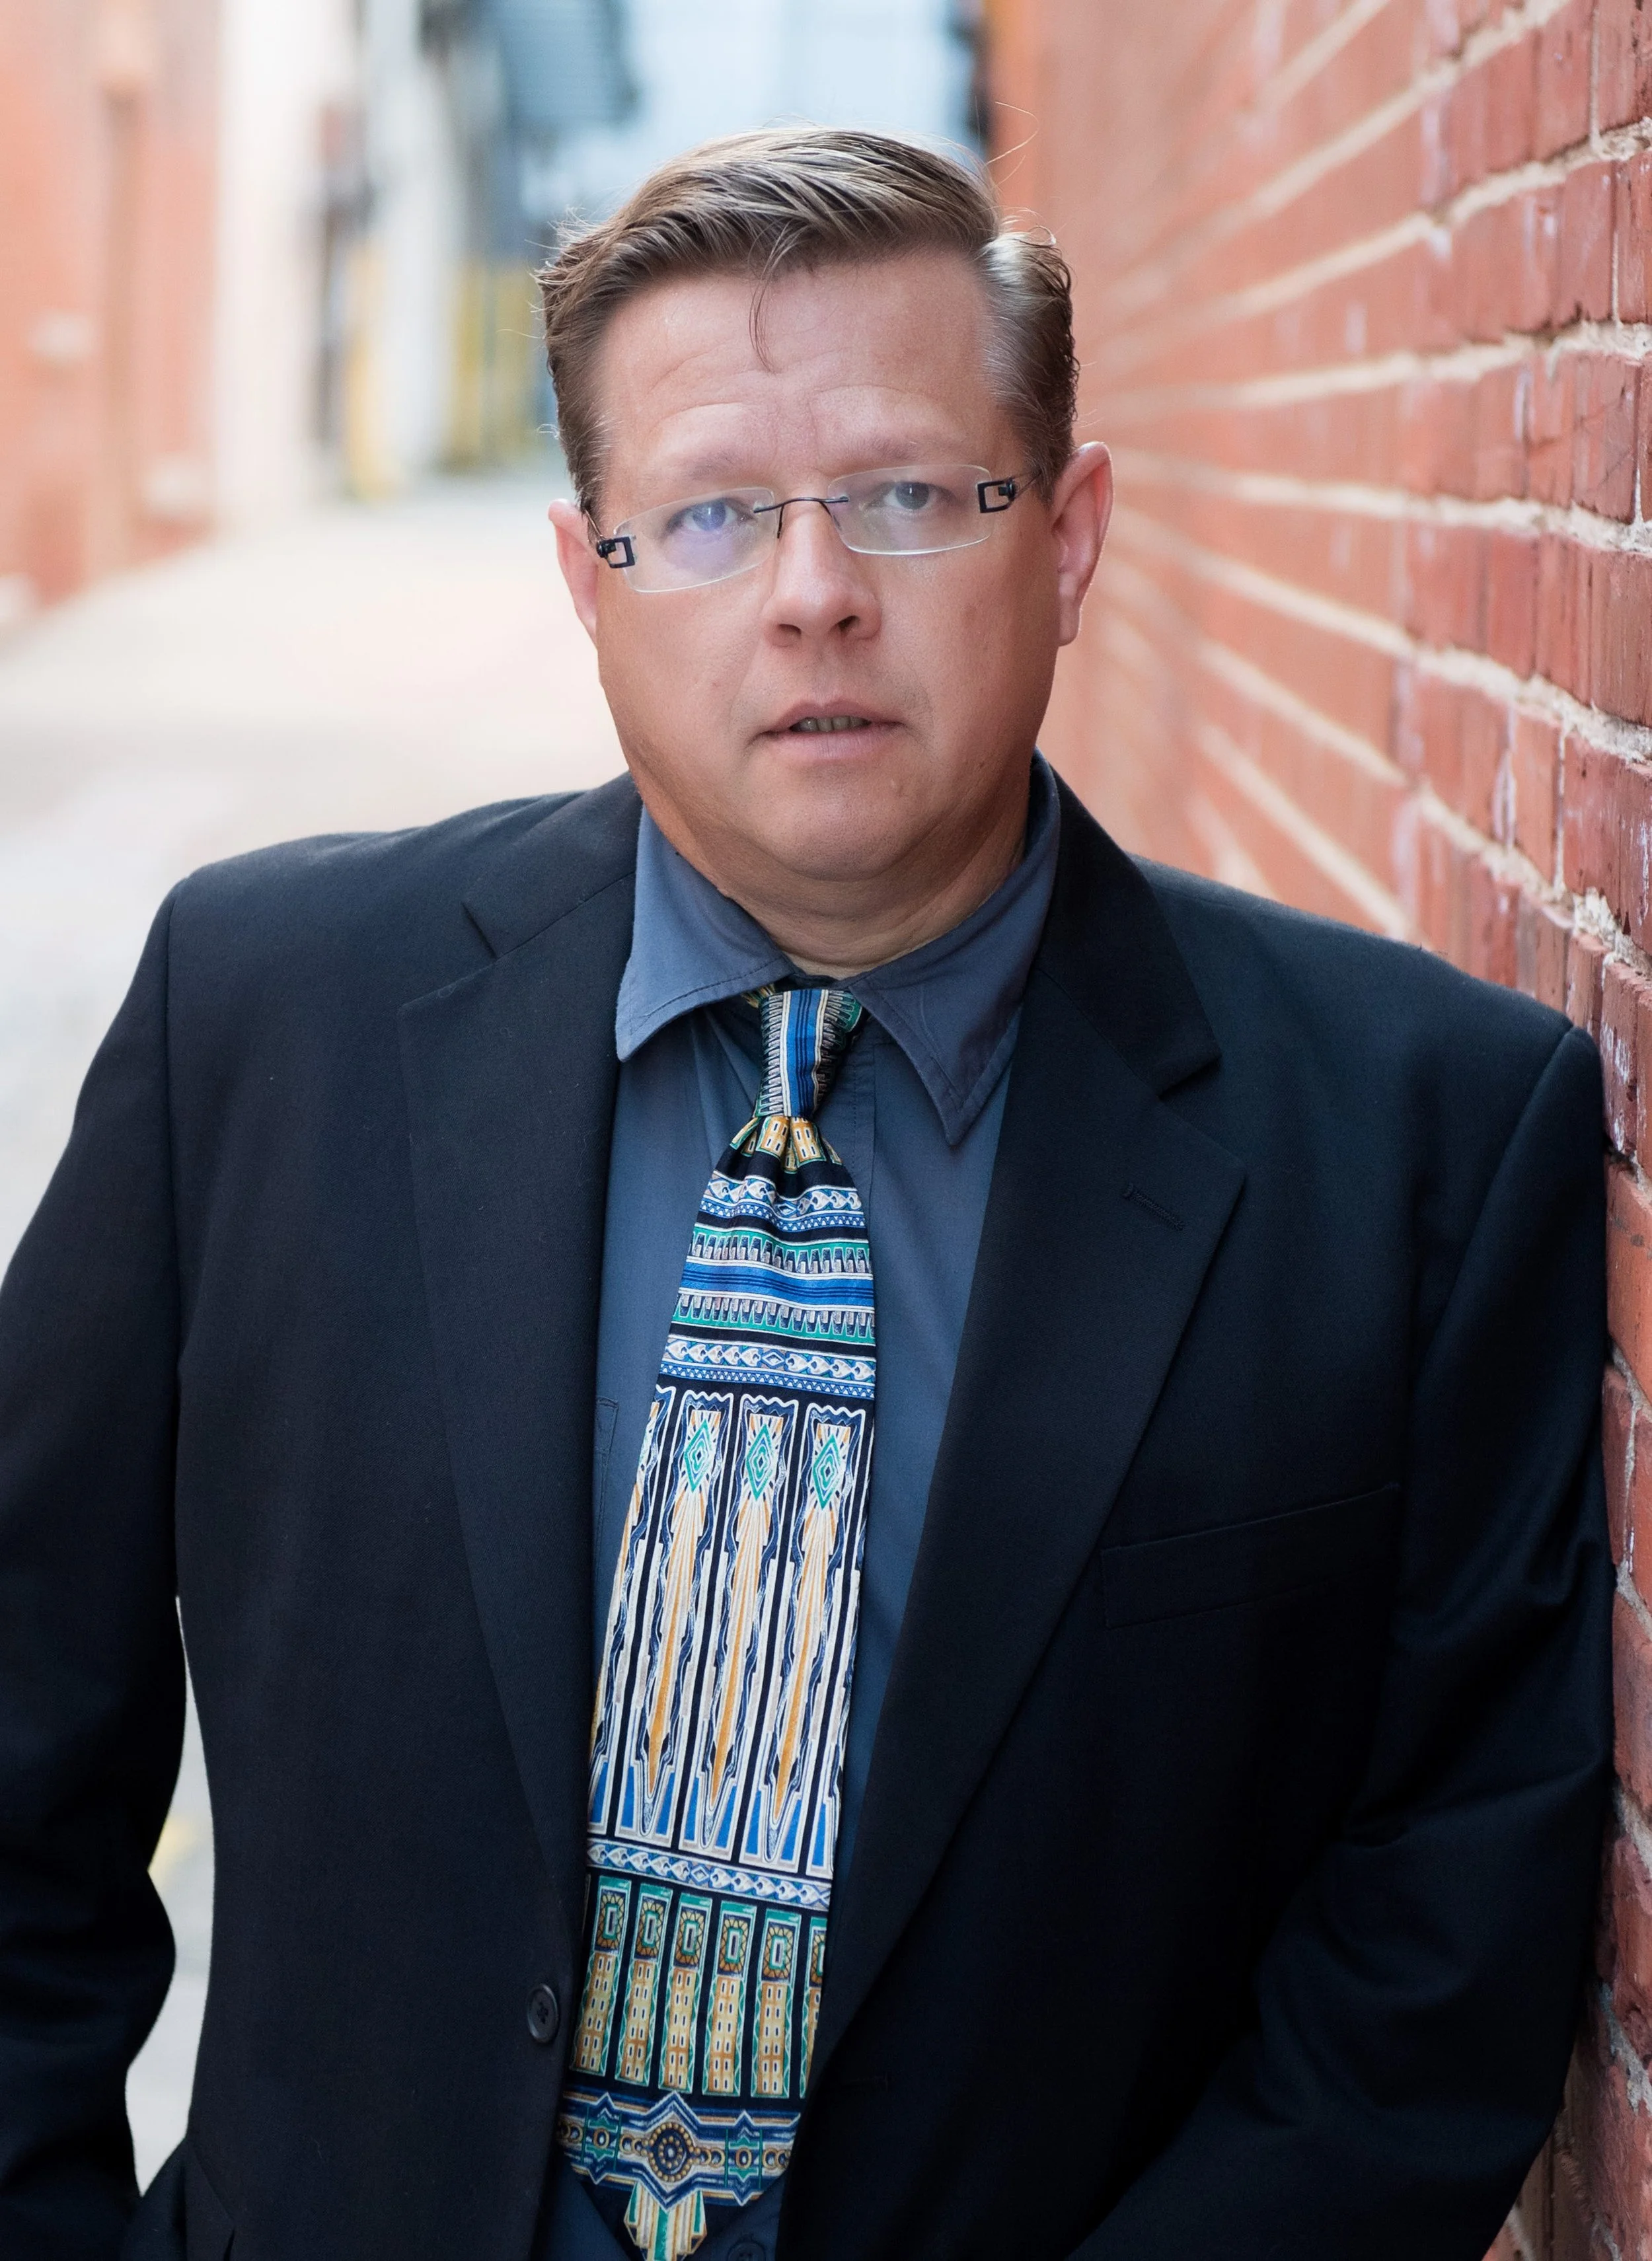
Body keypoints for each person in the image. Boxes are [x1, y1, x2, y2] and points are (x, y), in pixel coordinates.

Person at [0, 127, 1611, 2261]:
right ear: (593, 583)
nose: (811, 586)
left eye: (907, 493)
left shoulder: (1417, 1136)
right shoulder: (260, 1021)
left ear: (1071, 532)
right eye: (710, 513)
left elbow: (1432, 1948)